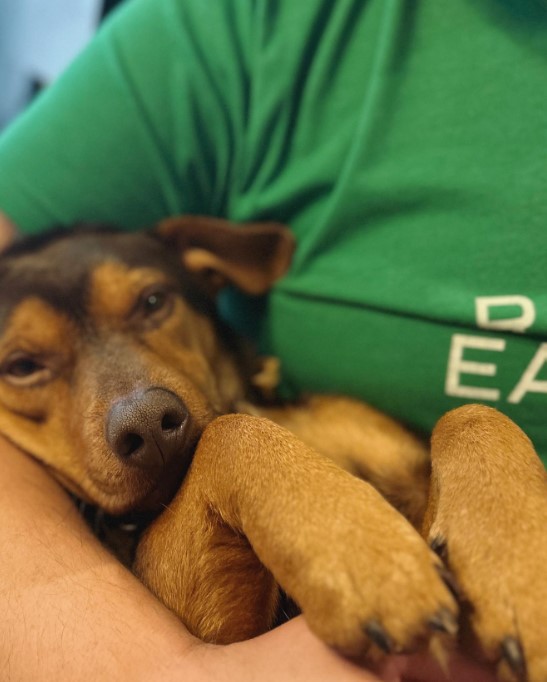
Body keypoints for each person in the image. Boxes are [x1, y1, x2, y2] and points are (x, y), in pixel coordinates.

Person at [0, 0, 545, 678]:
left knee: (476, 432)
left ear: (210, 274)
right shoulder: (251, 26)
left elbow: (427, 512)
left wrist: (488, 458)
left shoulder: (329, 420)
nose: (134, 405)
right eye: (24, 364)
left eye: (150, 304)